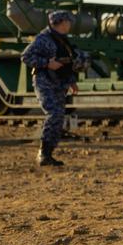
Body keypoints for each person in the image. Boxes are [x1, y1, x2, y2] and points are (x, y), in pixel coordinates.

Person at [21, 10, 86, 167]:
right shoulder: (43, 39)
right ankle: (43, 154)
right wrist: (46, 63)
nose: (70, 24)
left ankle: (48, 154)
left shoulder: (63, 40)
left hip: (59, 82)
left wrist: (72, 81)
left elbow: (67, 63)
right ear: (61, 22)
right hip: (45, 81)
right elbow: (25, 57)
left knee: (59, 116)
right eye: (68, 21)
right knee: (54, 113)